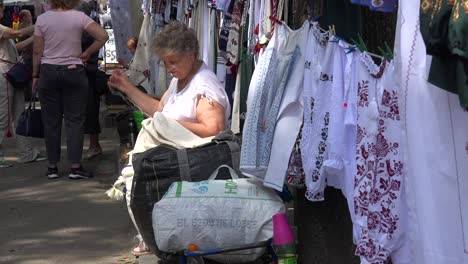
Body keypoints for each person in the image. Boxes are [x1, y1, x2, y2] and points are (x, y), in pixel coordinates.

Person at [108, 22, 230, 255]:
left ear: (191, 56)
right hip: (173, 161)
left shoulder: (204, 86)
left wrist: (167, 125)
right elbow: (159, 110)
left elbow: (214, 128)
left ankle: (158, 241)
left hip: (192, 165)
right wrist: (127, 87)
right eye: (165, 62)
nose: (168, 67)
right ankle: (155, 239)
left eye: (173, 61)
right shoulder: (179, 80)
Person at [32, 0, 108, 179]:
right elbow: (103, 36)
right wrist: (87, 52)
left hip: (48, 71)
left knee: (51, 120)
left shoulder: (42, 19)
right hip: (74, 71)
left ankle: (52, 166)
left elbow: (37, 51)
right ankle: (75, 166)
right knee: (75, 120)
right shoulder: (80, 17)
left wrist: (35, 76)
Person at [0, 0, 44, 168]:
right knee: (4, 117)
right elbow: (13, 34)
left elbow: (16, 45)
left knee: (19, 114)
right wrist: (39, 25)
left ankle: (26, 152)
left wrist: (35, 36)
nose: (3, 9)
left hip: (10, 74)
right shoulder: (3, 29)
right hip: (4, 74)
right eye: (1, 6)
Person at [78, 1, 102, 160]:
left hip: (86, 70)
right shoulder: (91, 26)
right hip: (87, 69)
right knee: (89, 108)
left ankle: (93, 145)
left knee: (89, 108)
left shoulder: (85, 29)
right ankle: (93, 144)